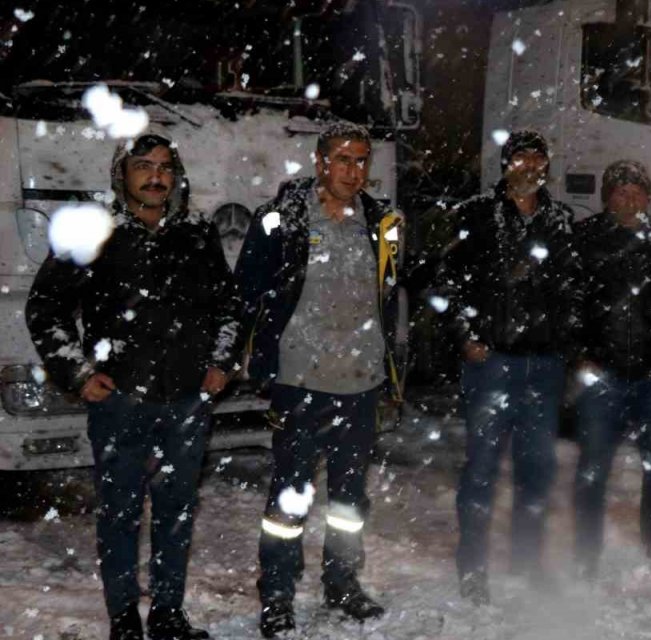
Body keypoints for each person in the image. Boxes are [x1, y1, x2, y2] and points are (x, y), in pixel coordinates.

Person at [26, 134, 240, 640]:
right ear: (122, 174)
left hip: (187, 400)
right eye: (143, 166)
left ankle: (168, 614)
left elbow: (228, 307)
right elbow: (46, 308)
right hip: (120, 400)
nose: (155, 176)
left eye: (165, 167)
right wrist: (77, 373)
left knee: (175, 511)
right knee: (119, 514)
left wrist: (221, 362)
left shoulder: (196, 233)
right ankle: (123, 618)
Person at [235, 122, 403, 637]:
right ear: (319, 162)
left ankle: (342, 582)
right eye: (342, 160)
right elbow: (247, 293)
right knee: (290, 497)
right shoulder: (276, 220)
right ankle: (278, 594)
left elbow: (389, 297)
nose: (353, 171)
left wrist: (391, 369)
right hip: (301, 381)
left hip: (361, 382)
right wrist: (251, 359)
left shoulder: (385, 223)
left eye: (361, 161)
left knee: (350, 500)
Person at [437, 130, 582, 605]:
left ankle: (527, 560)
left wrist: (566, 341)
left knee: (536, 470)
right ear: (506, 164)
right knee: (481, 469)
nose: (529, 167)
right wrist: (464, 337)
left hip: (544, 365)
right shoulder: (477, 215)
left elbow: (574, 289)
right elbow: (446, 284)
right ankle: (473, 568)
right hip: (491, 363)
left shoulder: (561, 219)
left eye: (538, 159)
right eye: (520, 159)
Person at [572, 160, 651, 579]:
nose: (629, 199)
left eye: (636, 191)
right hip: (602, 374)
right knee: (593, 465)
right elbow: (567, 303)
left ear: (649, 196)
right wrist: (580, 355)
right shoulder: (585, 239)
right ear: (606, 197)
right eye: (620, 191)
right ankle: (586, 549)